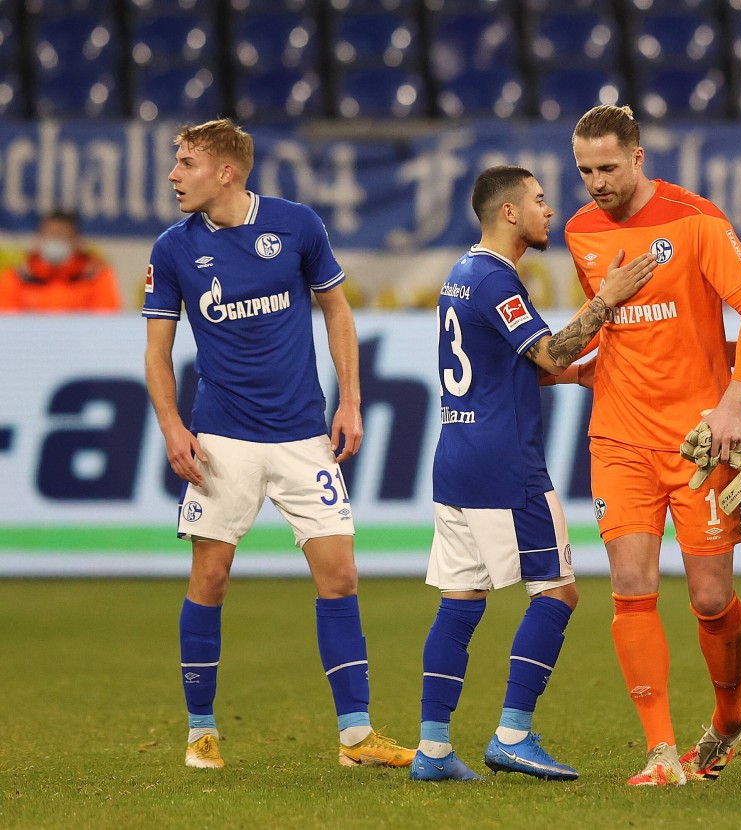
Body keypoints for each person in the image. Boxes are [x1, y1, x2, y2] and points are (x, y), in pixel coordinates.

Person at [142, 118, 412, 770]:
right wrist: (173, 428)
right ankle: (201, 731)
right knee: (211, 577)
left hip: (302, 437)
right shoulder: (174, 249)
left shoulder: (297, 226)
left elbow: (337, 311)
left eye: (185, 162)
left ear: (226, 170)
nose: (174, 175)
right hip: (222, 441)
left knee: (340, 574)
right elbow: (156, 352)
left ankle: (356, 738)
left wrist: (349, 399)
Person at [411, 166, 656, 783]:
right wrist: (609, 297)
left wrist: (569, 375)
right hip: (506, 467)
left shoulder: (460, 276)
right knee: (558, 591)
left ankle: (433, 749)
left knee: (460, 604)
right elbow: (548, 350)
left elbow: (512, 366)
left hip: (455, 462)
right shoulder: (497, 280)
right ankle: (513, 733)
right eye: (540, 201)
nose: (551, 211)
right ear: (510, 213)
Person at [562, 105, 741, 786]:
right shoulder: (580, 231)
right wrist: (580, 362)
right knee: (631, 586)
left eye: (606, 168)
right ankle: (660, 753)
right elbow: (612, 324)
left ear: (638, 158)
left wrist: (735, 399)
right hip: (619, 434)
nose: (595, 182)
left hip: (699, 441)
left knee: (711, 598)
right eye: (584, 170)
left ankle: (729, 717)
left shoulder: (696, 220)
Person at [0, 210, 121, 312]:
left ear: (76, 241)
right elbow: (7, 324)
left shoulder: (97, 277)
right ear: (38, 239)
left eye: (62, 235)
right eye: (51, 235)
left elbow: (106, 322)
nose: (55, 240)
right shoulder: (15, 278)